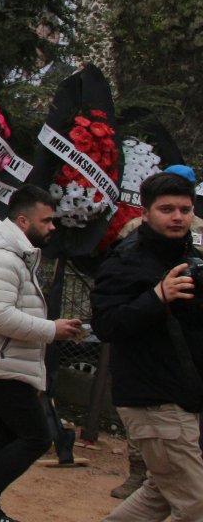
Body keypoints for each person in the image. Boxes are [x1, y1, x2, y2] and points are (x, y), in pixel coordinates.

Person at [0, 184, 84, 521]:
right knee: (37, 437)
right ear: (23, 222)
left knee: (8, 434)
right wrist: (53, 330)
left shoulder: (13, 254)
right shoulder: (2, 257)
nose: (52, 227)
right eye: (47, 220)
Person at [92, 171, 203, 521]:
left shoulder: (191, 257)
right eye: (167, 209)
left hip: (186, 396)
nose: (177, 217)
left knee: (157, 497)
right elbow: (106, 325)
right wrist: (157, 298)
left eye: (184, 209)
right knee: (196, 506)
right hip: (152, 400)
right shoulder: (125, 261)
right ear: (146, 213)